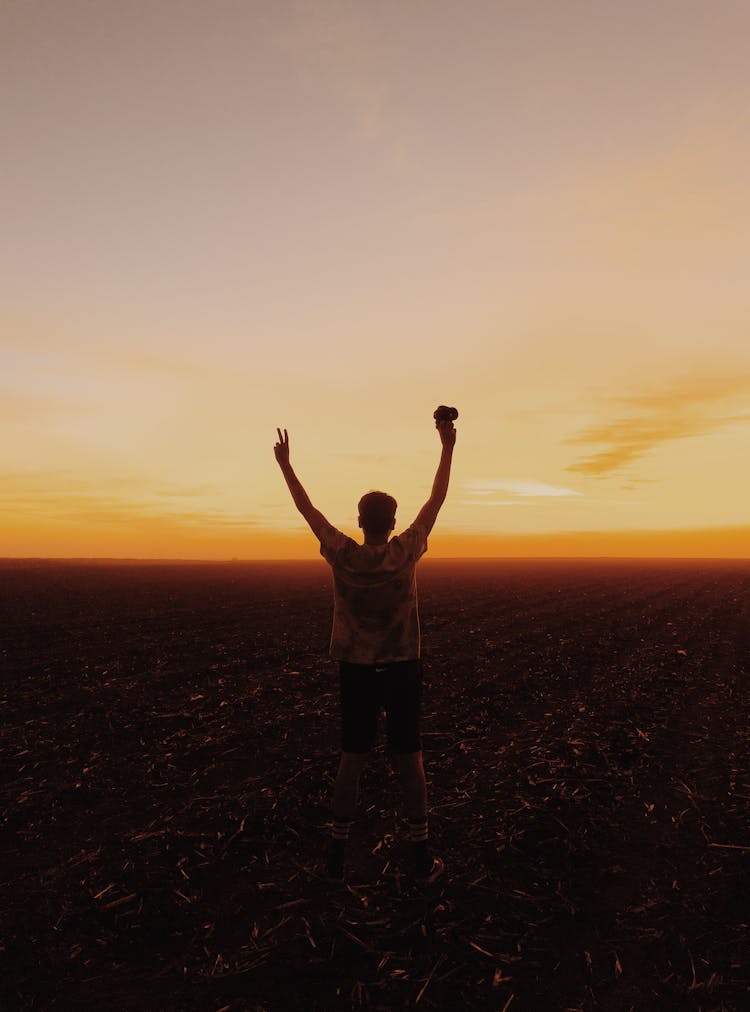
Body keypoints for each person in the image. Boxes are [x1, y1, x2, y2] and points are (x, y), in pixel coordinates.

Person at [273, 416, 456, 884]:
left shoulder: (343, 554)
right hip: (401, 668)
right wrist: (447, 446)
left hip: (355, 668)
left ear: (359, 522)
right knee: (408, 758)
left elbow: (308, 511)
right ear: (393, 522)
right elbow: (436, 501)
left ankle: (335, 857)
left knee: (351, 758)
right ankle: (419, 858)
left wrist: (287, 467)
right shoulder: (406, 550)